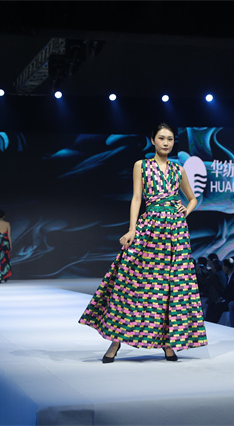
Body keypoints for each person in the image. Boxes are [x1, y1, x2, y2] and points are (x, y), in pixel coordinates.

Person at [78, 123, 207, 363]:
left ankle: (168, 343)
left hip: (175, 233)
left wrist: (185, 212)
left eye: (170, 139)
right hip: (149, 228)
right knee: (130, 281)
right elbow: (137, 198)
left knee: (171, 287)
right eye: (162, 138)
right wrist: (132, 229)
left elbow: (192, 199)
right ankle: (115, 340)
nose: (166, 143)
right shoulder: (142, 165)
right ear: (153, 140)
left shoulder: (178, 169)